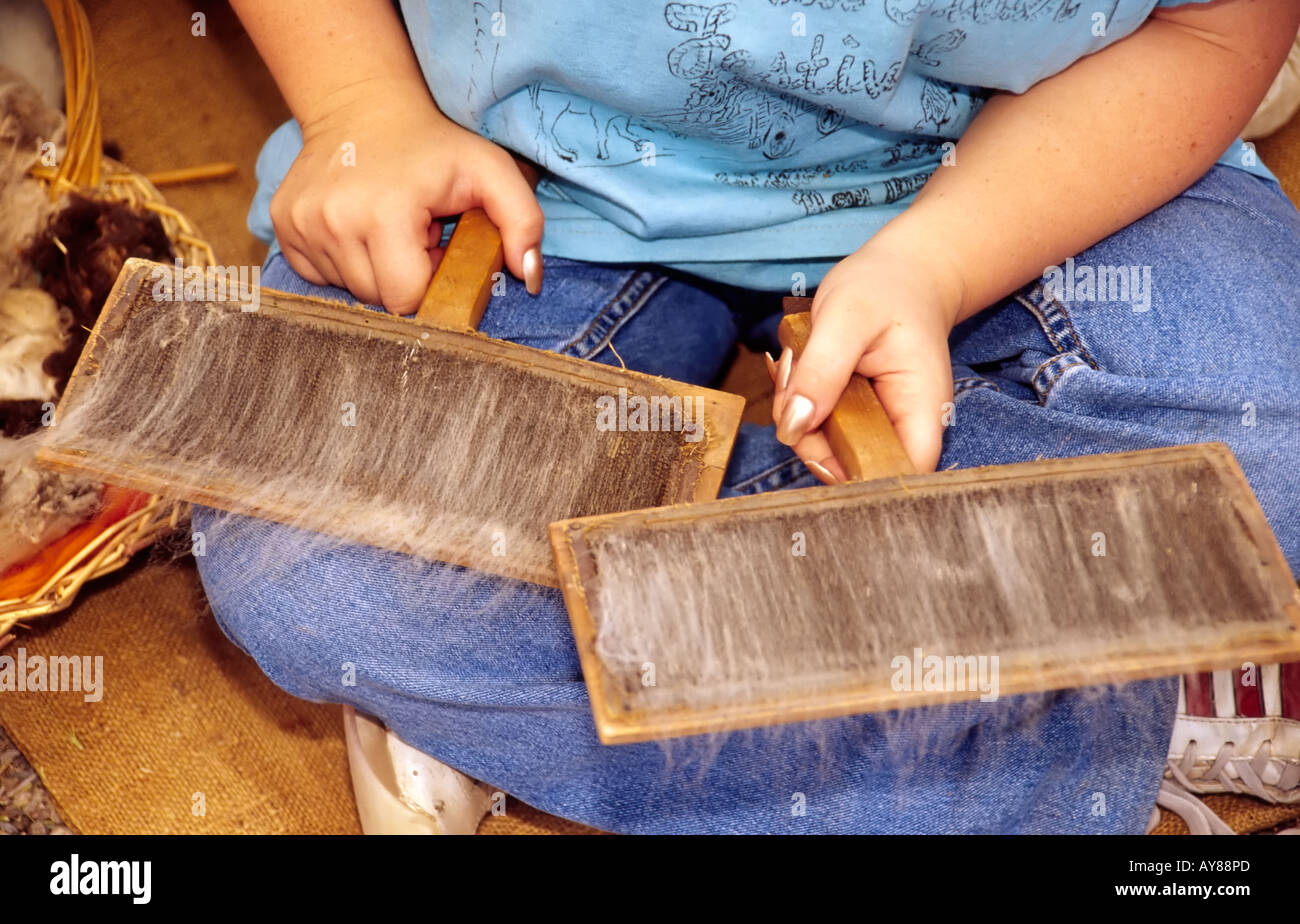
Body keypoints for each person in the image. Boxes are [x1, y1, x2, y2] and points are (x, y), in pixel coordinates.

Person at [199, 0, 1300, 832]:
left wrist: (938, 264)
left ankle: (546, 682)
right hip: (527, 188)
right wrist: (360, 107)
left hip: (1031, 175)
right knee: (302, 563)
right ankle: (1111, 696)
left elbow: (1213, 29)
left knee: (1276, 460)